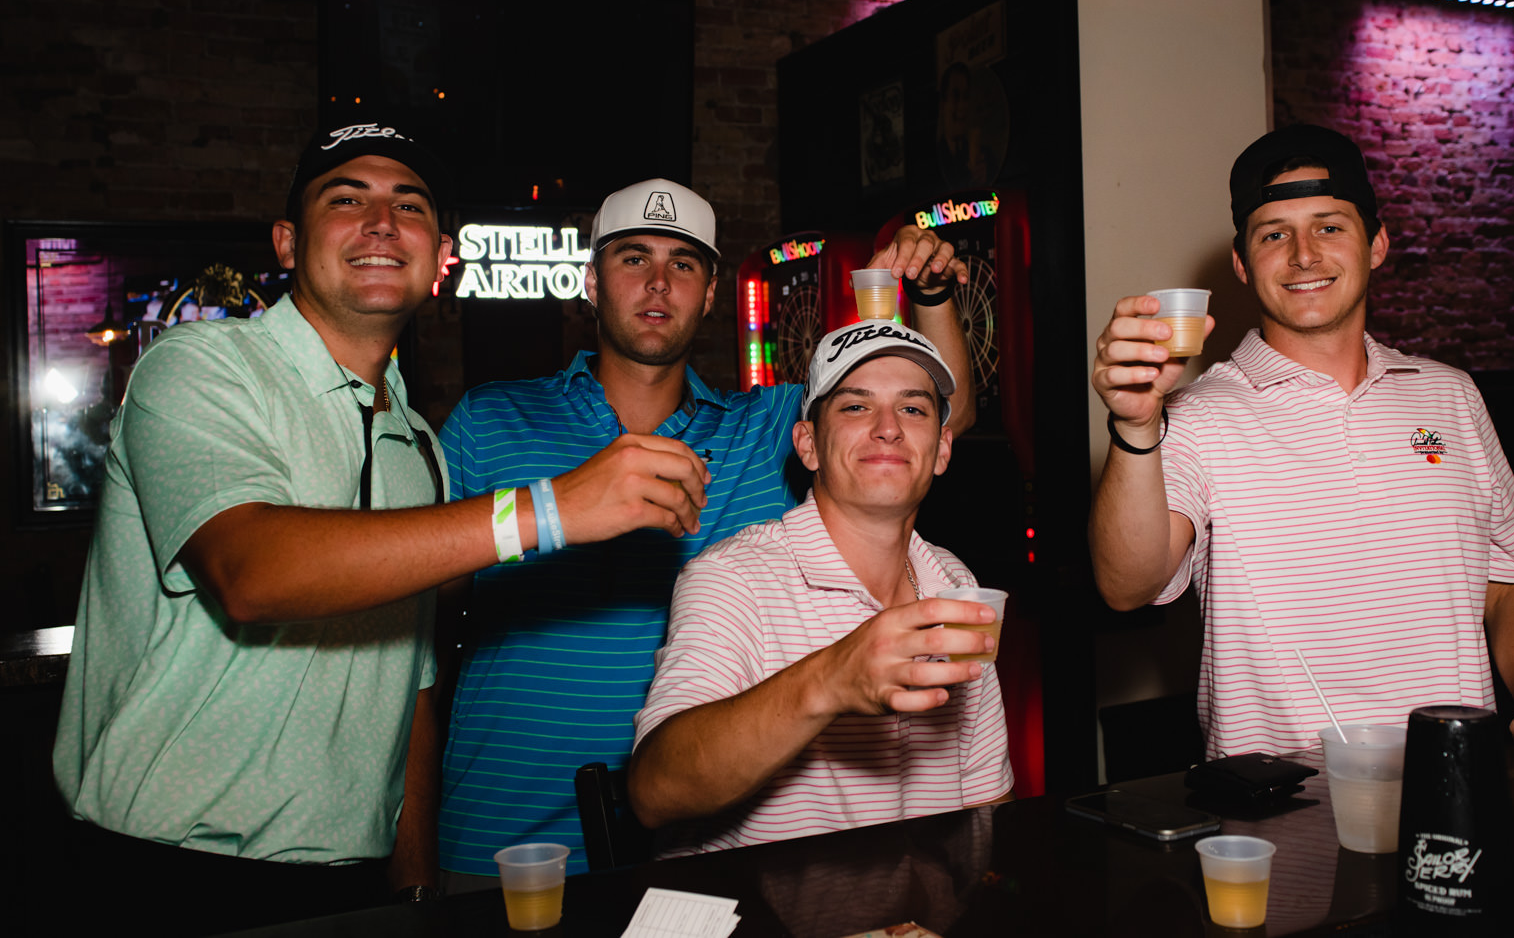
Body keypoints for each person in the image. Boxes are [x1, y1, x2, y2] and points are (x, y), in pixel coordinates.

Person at [49, 124, 707, 932]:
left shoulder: (419, 444)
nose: (383, 224)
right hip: (169, 868)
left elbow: (415, 683)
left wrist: (416, 881)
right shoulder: (201, 366)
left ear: (440, 257)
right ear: (287, 242)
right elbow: (251, 572)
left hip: (353, 880)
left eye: (410, 206)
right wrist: (548, 508)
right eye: (346, 199)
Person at [436, 179, 976, 879]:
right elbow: (420, 639)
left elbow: (927, 417)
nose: (659, 282)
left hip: (696, 825)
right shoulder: (491, 420)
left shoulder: (761, 428)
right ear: (591, 282)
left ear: (712, 293)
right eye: (633, 258)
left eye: (683, 264)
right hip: (499, 830)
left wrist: (931, 291)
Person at [1088, 123, 1514, 758]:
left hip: (1456, 780)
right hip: (1283, 798)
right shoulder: (1196, 415)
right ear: (1243, 264)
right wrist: (1136, 428)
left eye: (1329, 226)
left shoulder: (1452, 396)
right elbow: (1126, 586)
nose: (1304, 255)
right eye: (1274, 234)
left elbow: (1513, 579)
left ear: (1376, 244)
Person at [628, 319, 1012, 854]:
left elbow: (987, 804)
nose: (888, 428)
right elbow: (655, 791)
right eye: (855, 406)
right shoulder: (734, 578)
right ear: (808, 445)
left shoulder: (955, 582)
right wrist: (832, 679)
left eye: (913, 408)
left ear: (942, 449)